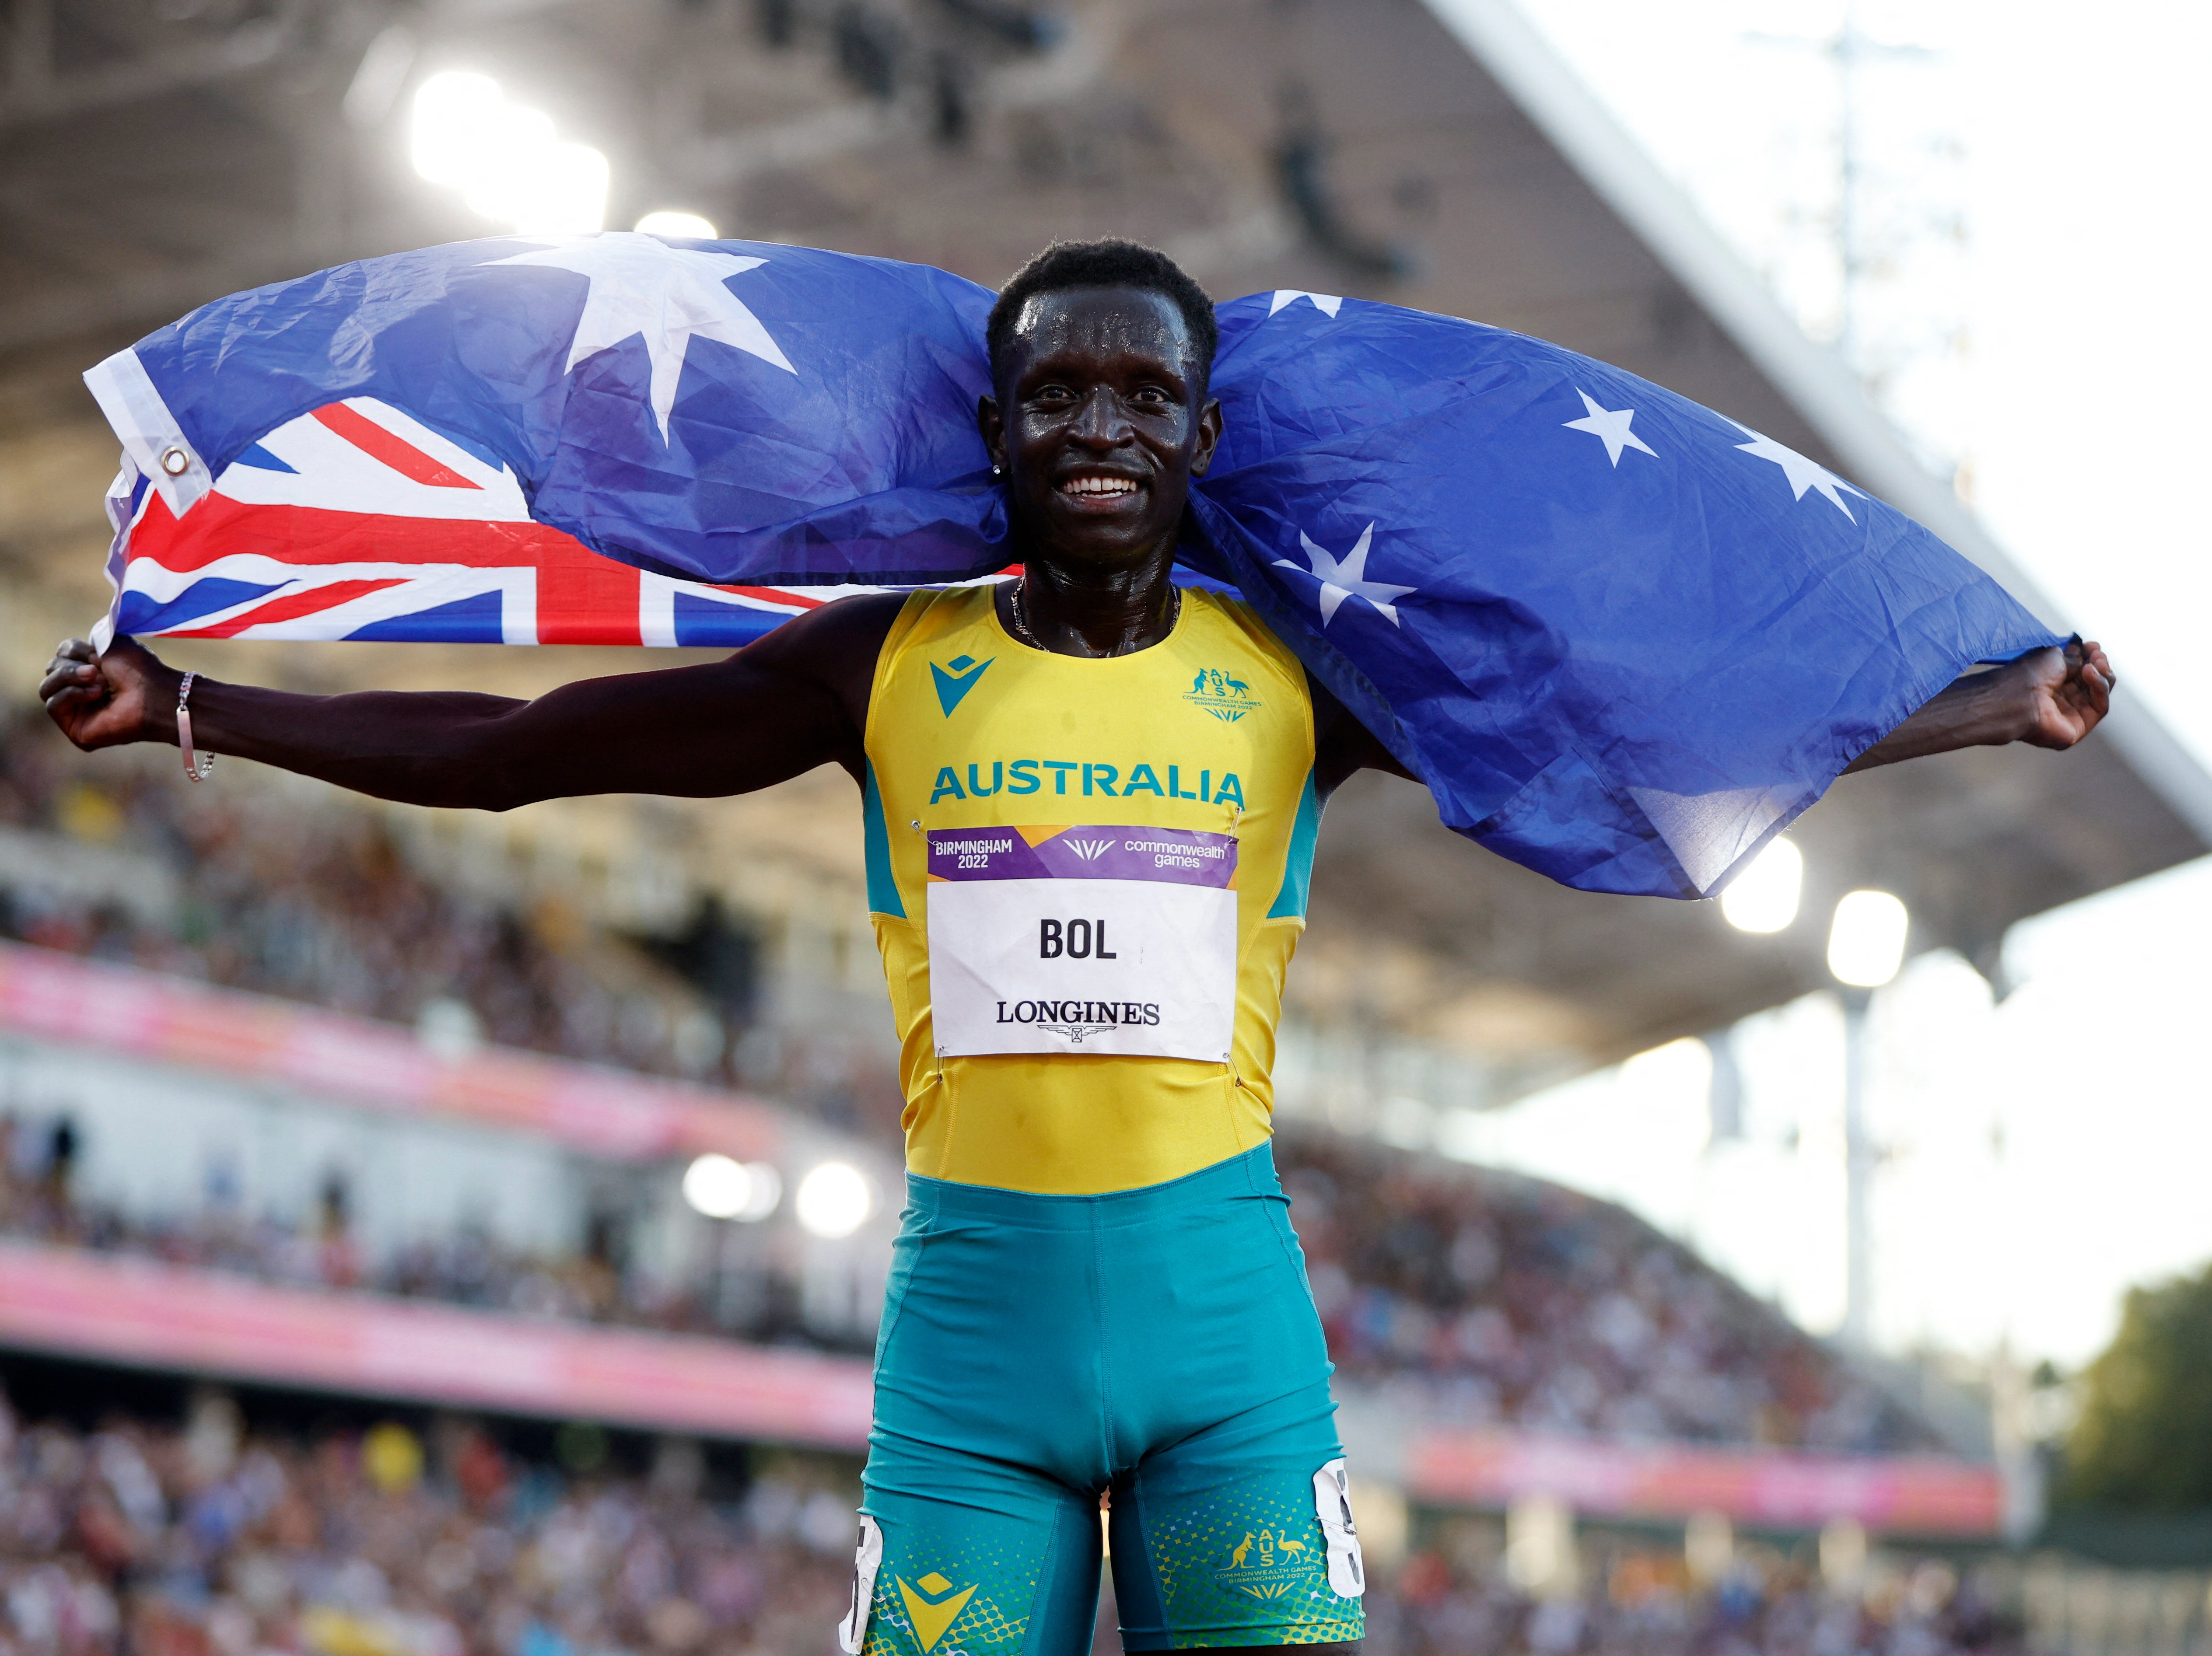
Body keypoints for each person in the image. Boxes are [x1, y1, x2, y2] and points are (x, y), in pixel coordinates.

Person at [39, 239, 2114, 1656]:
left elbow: (1647, 704)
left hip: (1228, 1340)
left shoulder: (1306, 674)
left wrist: (1976, 703)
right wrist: (203, 709)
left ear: (1205, 438)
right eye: (1059, 389)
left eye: (1147, 390)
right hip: (969, 1352)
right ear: (998, 430)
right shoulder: (884, 668)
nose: (1102, 420)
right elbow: (523, 757)